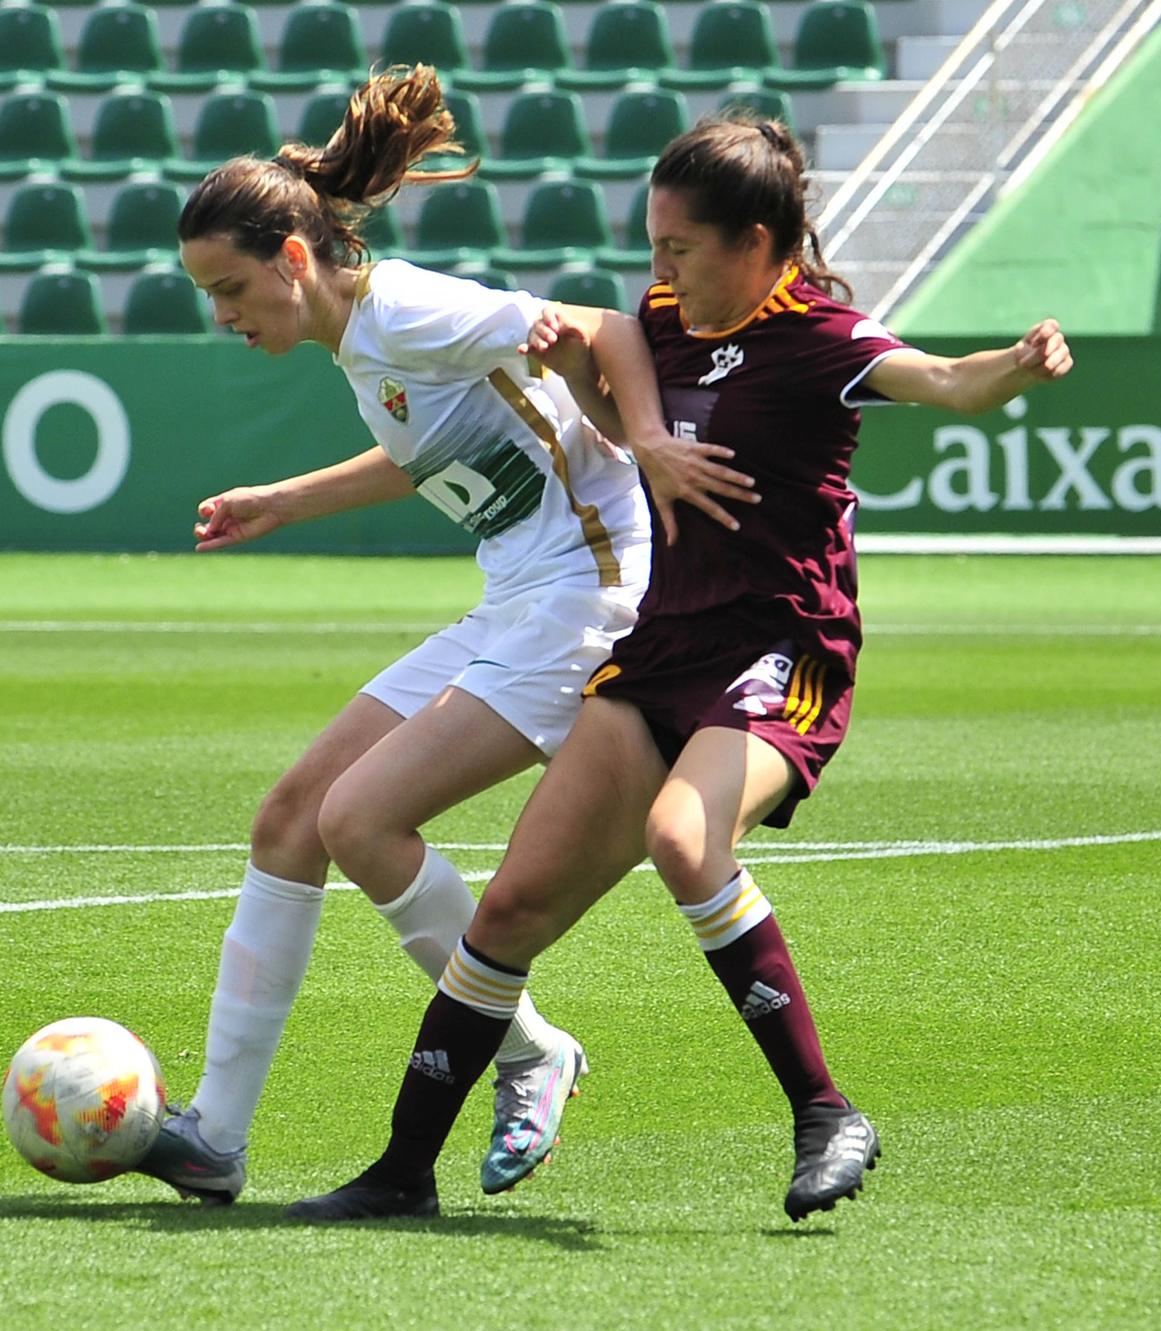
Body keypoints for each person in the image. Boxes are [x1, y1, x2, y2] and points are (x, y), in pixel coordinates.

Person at [286, 115, 1074, 1223]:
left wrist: (1017, 365)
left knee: (681, 836)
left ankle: (822, 1109)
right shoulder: (664, 321)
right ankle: (400, 1170)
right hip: (659, 644)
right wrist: (606, 398)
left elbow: (944, 380)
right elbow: (612, 391)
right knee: (510, 905)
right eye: (653, 248)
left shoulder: (821, 339)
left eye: (679, 250)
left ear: (756, 242)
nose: (660, 272)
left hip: (780, 647)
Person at [133, 68, 750, 1204]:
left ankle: (530, 1053)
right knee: (290, 816)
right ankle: (214, 1133)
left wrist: (649, 440)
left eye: (228, 288)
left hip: (587, 592)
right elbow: (433, 449)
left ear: (293, 258)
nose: (223, 316)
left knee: (360, 817)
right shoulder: (367, 341)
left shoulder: (403, 310)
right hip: (513, 594)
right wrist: (282, 499)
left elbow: (602, 328)